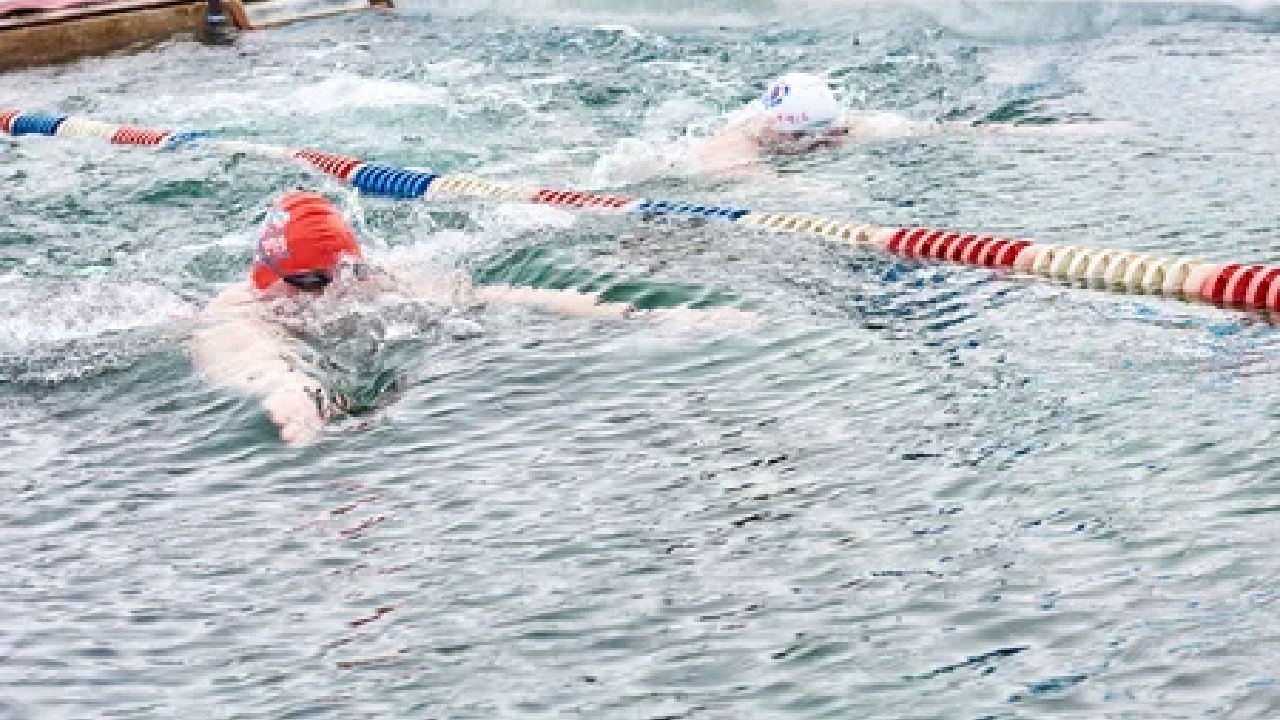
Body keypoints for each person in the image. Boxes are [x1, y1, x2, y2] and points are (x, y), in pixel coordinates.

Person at [189, 191, 757, 446]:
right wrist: (286, 395)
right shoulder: (241, 310)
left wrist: (638, 314)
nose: (334, 293)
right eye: (314, 283)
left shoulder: (373, 283)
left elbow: (497, 295)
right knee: (277, 373)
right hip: (284, 360)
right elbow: (244, 355)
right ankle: (302, 404)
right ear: (273, 276)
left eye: (344, 275)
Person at [693, 72, 1124, 177]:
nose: (817, 146)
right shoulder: (736, 138)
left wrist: (1053, 134)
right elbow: (735, 173)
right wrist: (806, 190)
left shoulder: (844, 129)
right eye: (802, 138)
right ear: (774, 130)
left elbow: (942, 131)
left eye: (825, 136)